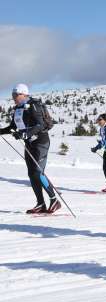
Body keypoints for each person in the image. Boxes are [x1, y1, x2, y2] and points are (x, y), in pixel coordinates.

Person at [0, 84, 59, 213]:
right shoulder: (18, 108)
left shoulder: (33, 105)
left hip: (40, 142)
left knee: (38, 172)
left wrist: (25, 133)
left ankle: (54, 200)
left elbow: (40, 124)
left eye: (15, 95)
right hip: (29, 144)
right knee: (32, 174)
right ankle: (40, 204)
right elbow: (12, 127)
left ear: (23, 94)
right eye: (13, 95)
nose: (13, 97)